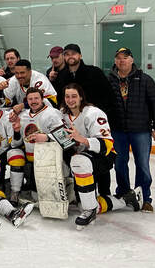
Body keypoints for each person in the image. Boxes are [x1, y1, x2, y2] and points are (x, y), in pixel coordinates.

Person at [61, 83, 142, 229]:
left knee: (79, 162)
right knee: (82, 203)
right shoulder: (63, 114)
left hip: (103, 156)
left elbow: (107, 144)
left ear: (81, 97)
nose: (70, 100)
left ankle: (89, 210)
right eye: (67, 96)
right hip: (81, 158)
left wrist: (83, 139)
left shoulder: (93, 113)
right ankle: (126, 199)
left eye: (74, 96)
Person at [108, 47, 155, 213]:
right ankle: (124, 193)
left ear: (132, 60)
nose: (121, 60)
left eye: (125, 57)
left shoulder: (145, 80)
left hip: (140, 130)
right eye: (118, 58)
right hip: (117, 130)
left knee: (142, 165)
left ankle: (144, 198)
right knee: (119, 164)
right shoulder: (109, 80)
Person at [7, 88, 64, 204]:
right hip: (31, 160)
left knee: (40, 197)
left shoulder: (53, 113)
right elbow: (15, 144)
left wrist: (47, 138)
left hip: (50, 161)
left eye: (36, 98)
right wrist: (17, 131)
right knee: (14, 154)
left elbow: (66, 139)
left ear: (42, 99)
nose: (33, 101)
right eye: (30, 99)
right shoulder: (22, 116)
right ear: (27, 101)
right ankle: (15, 192)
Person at [53, 44, 114, 117]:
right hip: (70, 118)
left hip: (93, 117)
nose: (70, 56)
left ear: (80, 56)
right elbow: (59, 99)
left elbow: (108, 96)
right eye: (67, 54)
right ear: (64, 57)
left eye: (73, 54)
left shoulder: (95, 72)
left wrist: (100, 112)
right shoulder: (60, 76)